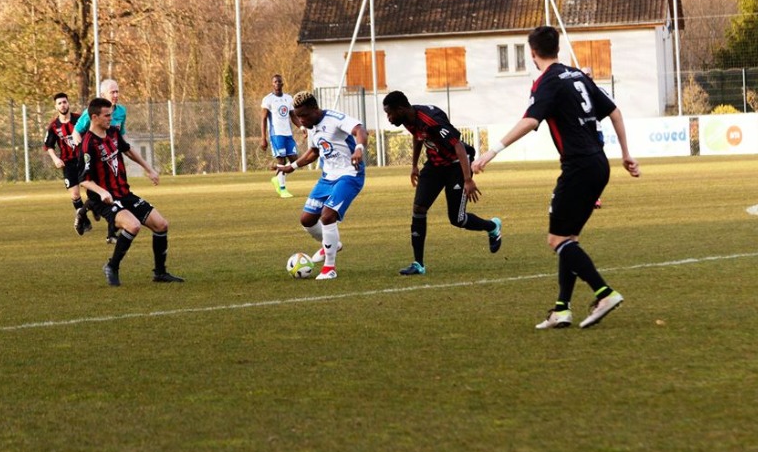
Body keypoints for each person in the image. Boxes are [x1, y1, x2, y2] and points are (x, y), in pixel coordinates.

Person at [472, 26, 641, 329]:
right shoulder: (577, 75)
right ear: (557, 48)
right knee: (569, 238)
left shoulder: (547, 81)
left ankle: (604, 293)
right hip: (598, 164)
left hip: (578, 167)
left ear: (532, 53)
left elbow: (530, 120)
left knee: (557, 240)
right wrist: (626, 154)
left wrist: (490, 152)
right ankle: (562, 309)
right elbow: (614, 111)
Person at [383, 91, 503, 276]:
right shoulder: (408, 119)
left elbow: (458, 146)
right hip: (435, 165)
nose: (389, 118)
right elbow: (418, 137)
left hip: (456, 165)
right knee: (419, 208)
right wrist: (414, 165)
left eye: (389, 114)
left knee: (457, 219)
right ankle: (418, 264)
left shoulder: (431, 120)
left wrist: (468, 179)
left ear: (400, 109)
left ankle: (492, 227)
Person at [78, 97, 183, 286]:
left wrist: (148, 169)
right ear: (94, 117)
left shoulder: (113, 132)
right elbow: (84, 179)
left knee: (161, 225)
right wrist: (102, 192)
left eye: (111, 115)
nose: (111, 118)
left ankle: (160, 273)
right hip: (104, 201)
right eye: (106, 115)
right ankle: (112, 266)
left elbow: (127, 150)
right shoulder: (88, 144)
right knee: (133, 226)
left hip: (124, 193)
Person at [275, 91, 368, 280]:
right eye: (298, 116)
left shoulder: (335, 119)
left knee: (327, 215)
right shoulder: (312, 127)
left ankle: (329, 268)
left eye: (303, 115)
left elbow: (360, 130)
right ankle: (331, 243)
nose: (301, 121)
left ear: (314, 109)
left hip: (349, 174)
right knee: (307, 220)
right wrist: (291, 167)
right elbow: (314, 151)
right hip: (327, 178)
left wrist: (359, 149)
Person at [73, 79, 126, 243]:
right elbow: (76, 132)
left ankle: (87, 214)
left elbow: (121, 134)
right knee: (104, 192)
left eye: (117, 91)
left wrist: (122, 151)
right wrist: (84, 152)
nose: (116, 95)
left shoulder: (121, 111)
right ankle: (109, 232)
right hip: (96, 159)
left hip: (112, 157)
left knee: (114, 192)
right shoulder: (92, 111)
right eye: (112, 92)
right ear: (103, 94)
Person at [44, 92, 92, 235]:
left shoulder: (80, 119)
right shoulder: (54, 126)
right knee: (75, 194)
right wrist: (55, 159)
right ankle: (84, 220)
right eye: (59, 103)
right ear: (56, 106)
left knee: (91, 190)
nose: (63, 105)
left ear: (68, 103)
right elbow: (49, 145)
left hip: (83, 160)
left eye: (64, 102)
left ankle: (94, 208)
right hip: (68, 163)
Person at [260, 74, 302, 198]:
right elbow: (263, 118)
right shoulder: (268, 99)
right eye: (275, 82)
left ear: (282, 83)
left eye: (279, 81)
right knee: (281, 161)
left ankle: (277, 178)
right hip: (276, 134)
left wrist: (302, 127)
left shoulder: (288, 98)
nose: (277, 83)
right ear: (272, 84)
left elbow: (293, 116)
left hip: (288, 134)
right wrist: (263, 138)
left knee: (295, 161)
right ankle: (283, 189)